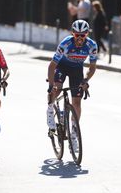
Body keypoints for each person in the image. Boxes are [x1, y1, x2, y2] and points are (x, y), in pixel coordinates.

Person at [46, 20, 97, 149]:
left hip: (77, 70)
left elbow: (92, 68)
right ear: (72, 34)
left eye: (83, 35)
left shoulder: (92, 46)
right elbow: (52, 65)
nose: (80, 38)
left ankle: (74, 135)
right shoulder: (65, 43)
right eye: (77, 35)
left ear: (87, 34)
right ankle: (50, 110)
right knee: (57, 89)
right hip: (62, 67)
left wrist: (85, 81)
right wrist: (52, 85)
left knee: (77, 102)